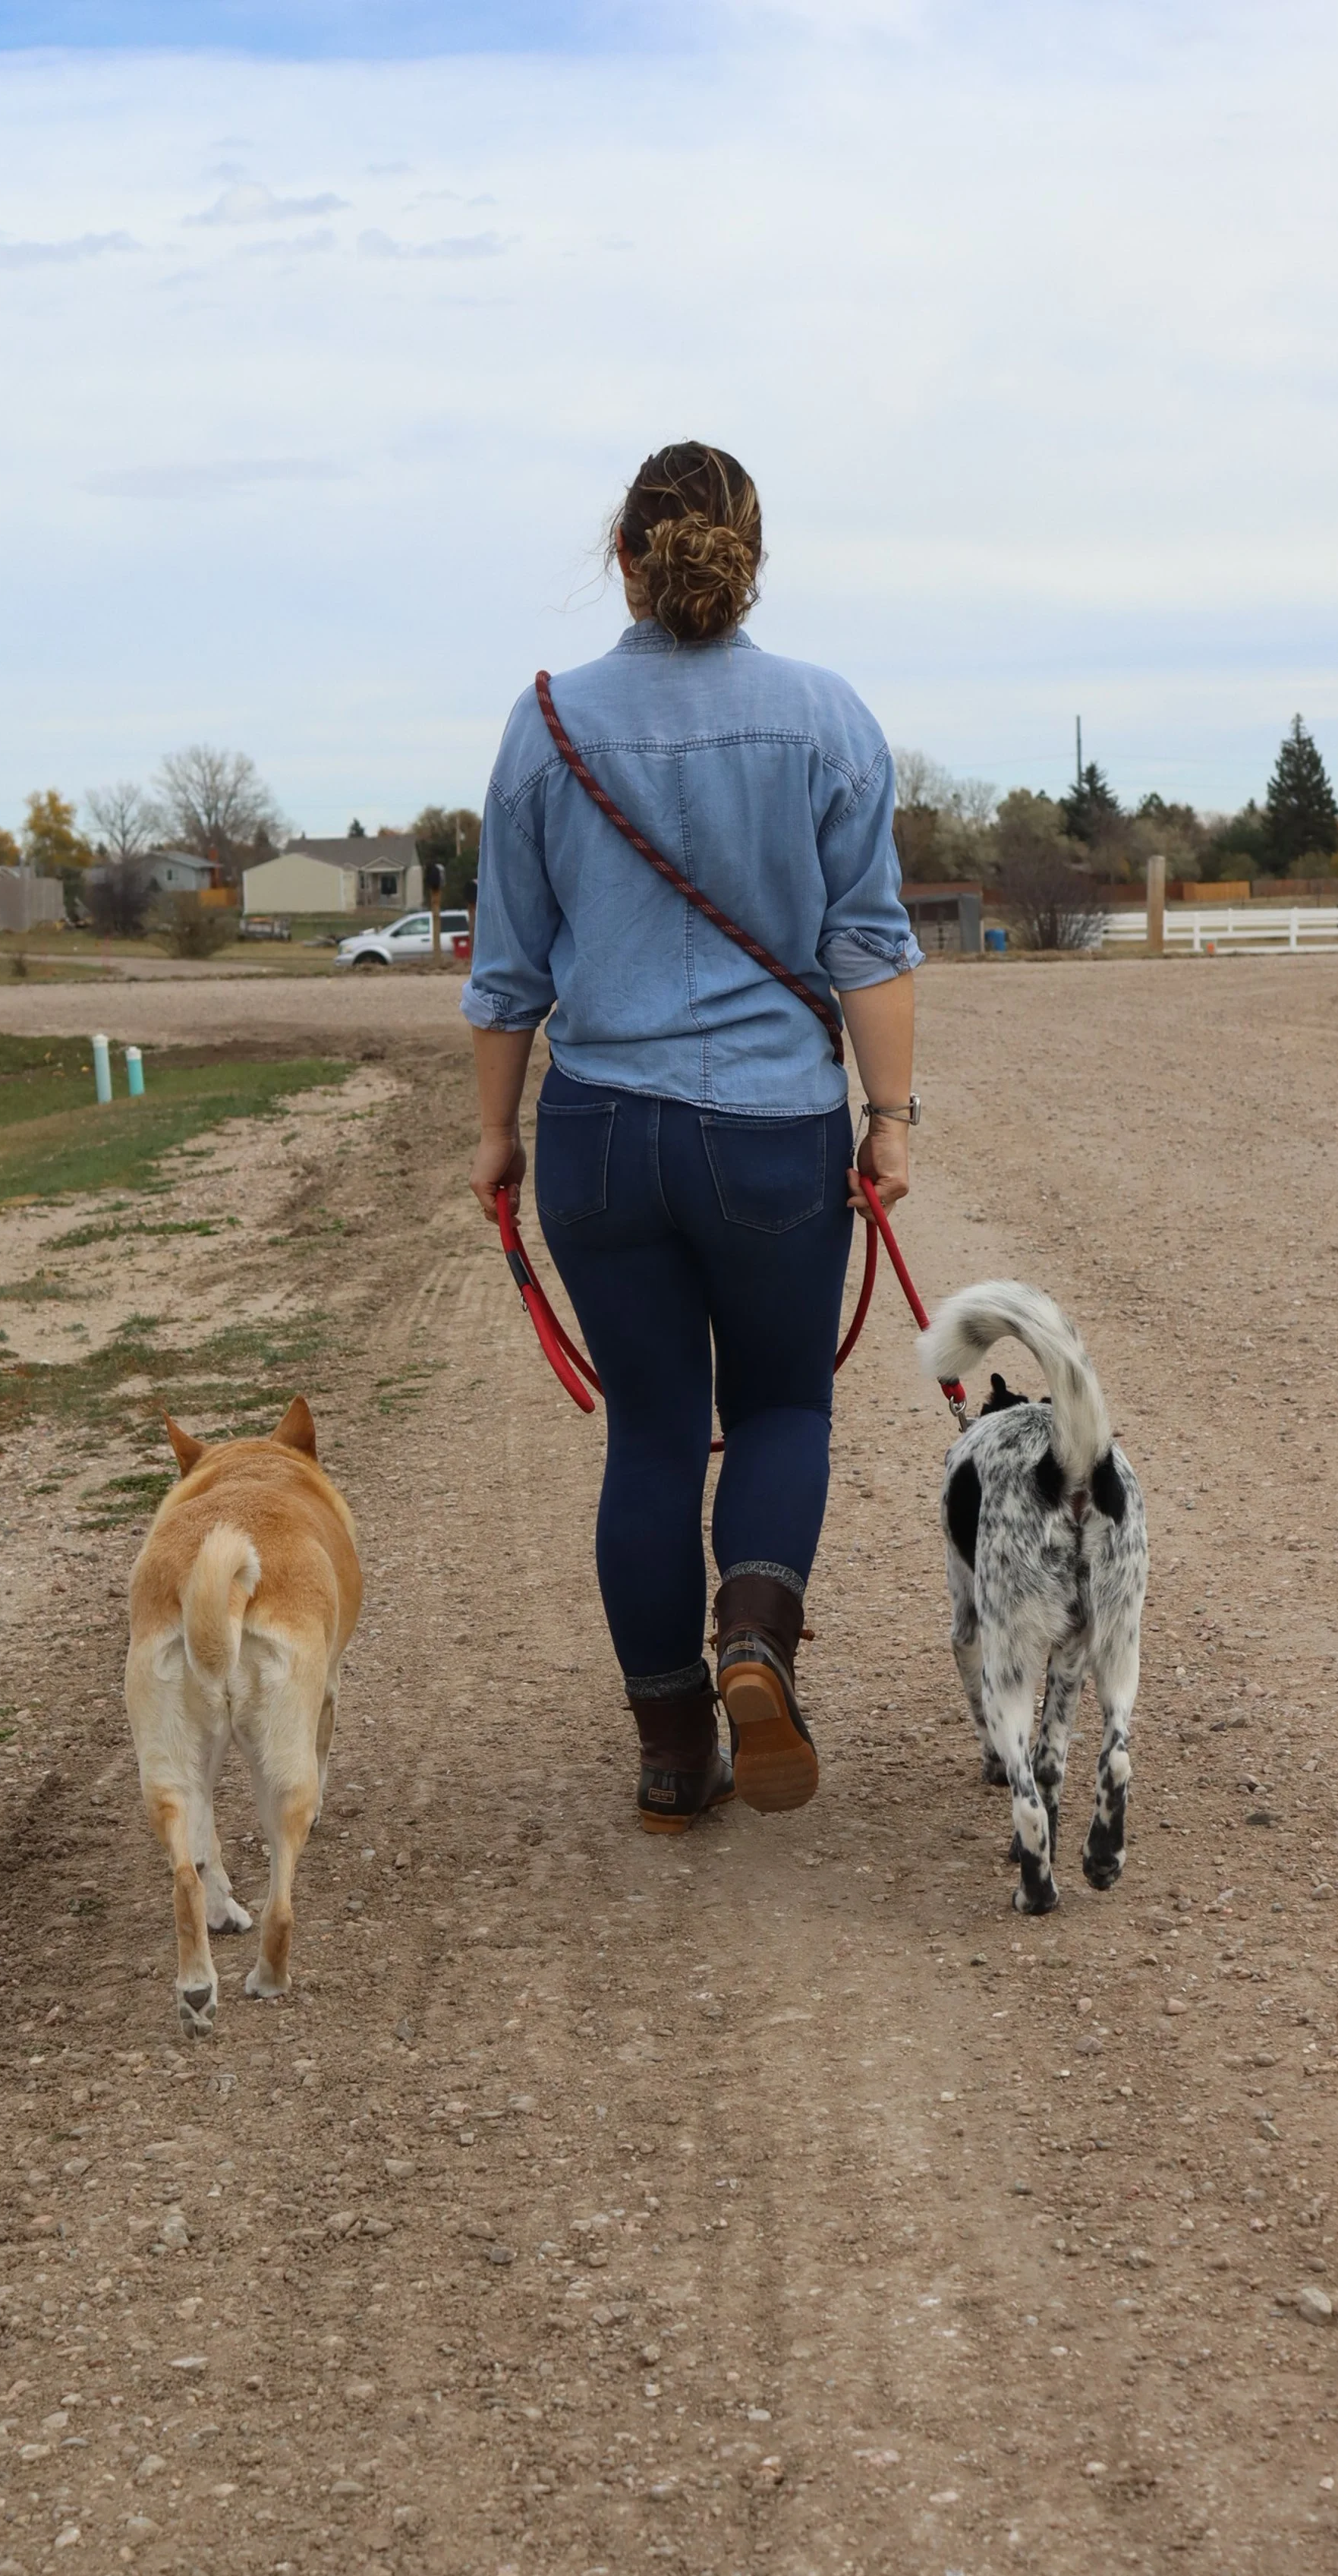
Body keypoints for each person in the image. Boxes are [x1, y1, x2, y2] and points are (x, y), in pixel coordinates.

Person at [464, 440, 921, 1831]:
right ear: (753, 558)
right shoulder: (827, 719)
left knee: (653, 1435)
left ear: (625, 557)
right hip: (774, 1133)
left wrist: (497, 1135)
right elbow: (869, 944)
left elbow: (507, 972)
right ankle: (754, 1639)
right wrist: (888, 1122)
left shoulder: (544, 724)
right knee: (781, 1405)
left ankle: (672, 1754)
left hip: (603, 1132)